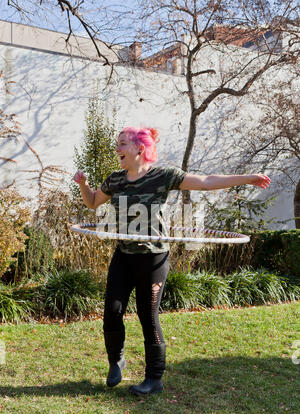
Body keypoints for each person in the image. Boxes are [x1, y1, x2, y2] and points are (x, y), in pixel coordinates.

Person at [73, 126, 271, 396]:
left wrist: (247, 178)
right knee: (112, 311)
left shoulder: (163, 176)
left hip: (153, 259)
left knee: (148, 317)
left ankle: (154, 379)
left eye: (122, 144)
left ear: (139, 149)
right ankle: (116, 360)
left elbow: (205, 181)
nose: (117, 149)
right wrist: (83, 185)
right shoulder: (115, 180)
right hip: (124, 256)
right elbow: (93, 202)